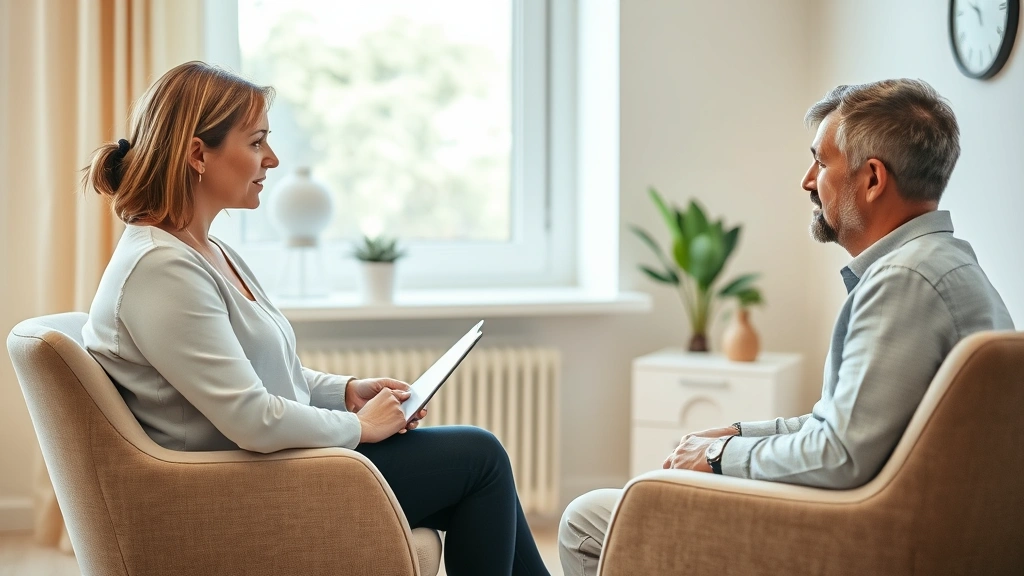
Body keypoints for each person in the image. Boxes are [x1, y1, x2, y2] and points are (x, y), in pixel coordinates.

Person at [81, 61, 550, 576]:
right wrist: (358, 427)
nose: (273, 159)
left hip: (267, 467)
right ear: (198, 154)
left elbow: (253, 372)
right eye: (257, 142)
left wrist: (346, 391)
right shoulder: (160, 267)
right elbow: (249, 418)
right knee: (479, 457)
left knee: (475, 474)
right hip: (235, 487)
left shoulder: (203, 250)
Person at [559, 78, 1015, 576]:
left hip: (867, 544)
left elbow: (839, 455)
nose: (806, 180)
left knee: (589, 520)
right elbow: (840, 425)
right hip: (904, 526)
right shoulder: (946, 267)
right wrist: (736, 433)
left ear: (873, 179)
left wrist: (716, 455)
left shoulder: (904, 281)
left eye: (820, 161)